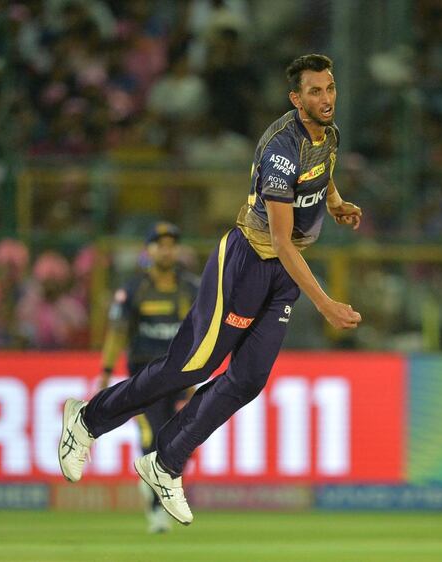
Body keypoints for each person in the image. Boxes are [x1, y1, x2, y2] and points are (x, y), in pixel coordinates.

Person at [59, 54, 362, 526]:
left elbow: (320, 175)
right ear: (295, 99)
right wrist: (325, 304)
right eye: (316, 92)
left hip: (283, 272)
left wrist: (337, 203)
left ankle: (165, 462)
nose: (326, 99)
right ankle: (86, 421)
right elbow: (280, 240)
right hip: (249, 261)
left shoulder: (328, 135)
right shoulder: (282, 149)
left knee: (249, 378)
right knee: (190, 366)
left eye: (330, 88)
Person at [97, 222, 199, 533]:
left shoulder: (190, 288)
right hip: (143, 377)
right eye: (160, 244)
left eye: (171, 244)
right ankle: (157, 508)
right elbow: (117, 331)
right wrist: (105, 372)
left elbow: (198, 334)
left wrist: (196, 377)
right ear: (149, 250)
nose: (166, 250)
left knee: (177, 440)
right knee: (150, 436)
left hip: (177, 376)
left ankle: (156, 491)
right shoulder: (133, 289)